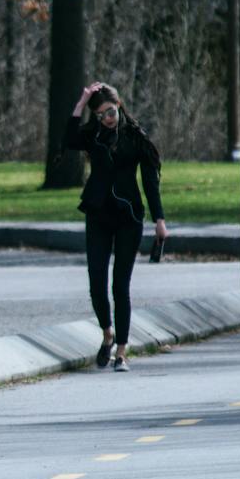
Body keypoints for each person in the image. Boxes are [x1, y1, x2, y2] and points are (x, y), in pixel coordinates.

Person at [68, 81, 166, 373]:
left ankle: (122, 350)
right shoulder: (92, 135)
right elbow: (68, 140)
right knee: (96, 281)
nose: (107, 119)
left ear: (119, 106)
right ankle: (107, 333)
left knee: (120, 285)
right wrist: (80, 102)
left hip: (128, 216)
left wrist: (159, 220)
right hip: (98, 213)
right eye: (100, 115)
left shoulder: (136, 138)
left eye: (110, 112)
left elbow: (150, 181)